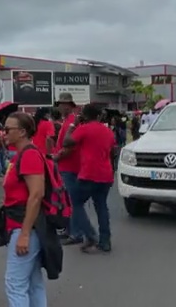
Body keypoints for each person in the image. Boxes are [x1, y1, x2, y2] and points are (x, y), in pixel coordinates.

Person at [1, 112, 47, 307]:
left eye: (7, 129)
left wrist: (25, 234)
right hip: (24, 225)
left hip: (25, 225)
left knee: (15, 283)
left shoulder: (29, 155)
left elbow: (36, 195)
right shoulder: (22, 155)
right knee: (33, 282)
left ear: (21, 132)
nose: (4, 133)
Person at [63, 104, 115, 253]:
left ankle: (90, 234)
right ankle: (105, 241)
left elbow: (67, 142)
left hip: (88, 174)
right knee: (101, 207)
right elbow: (112, 151)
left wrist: (73, 125)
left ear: (84, 116)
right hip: (105, 174)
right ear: (99, 116)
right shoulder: (108, 131)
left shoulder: (83, 129)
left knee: (76, 203)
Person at [52, 92, 83, 246]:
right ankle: (70, 229)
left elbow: (71, 146)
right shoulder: (67, 121)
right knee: (67, 201)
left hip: (70, 167)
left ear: (69, 106)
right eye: (60, 104)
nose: (61, 106)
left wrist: (58, 156)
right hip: (65, 166)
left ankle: (76, 232)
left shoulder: (72, 122)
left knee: (72, 202)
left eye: (64, 104)